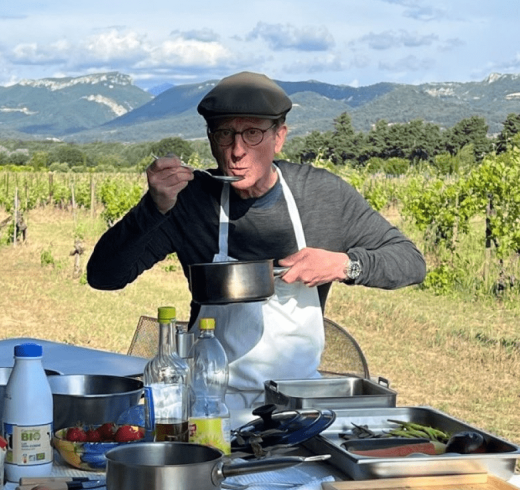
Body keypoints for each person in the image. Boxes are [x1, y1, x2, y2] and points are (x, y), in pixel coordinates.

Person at [87, 71, 426, 409]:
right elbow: (104, 276)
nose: (236, 151)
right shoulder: (189, 201)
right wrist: (153, 208)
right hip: (208, 403)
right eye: (224, 134)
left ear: (279, 138)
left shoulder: (322, 196)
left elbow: (410, 261)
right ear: (209, 138)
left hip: (297, 406)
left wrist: (344, 265)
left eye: (252, 134)